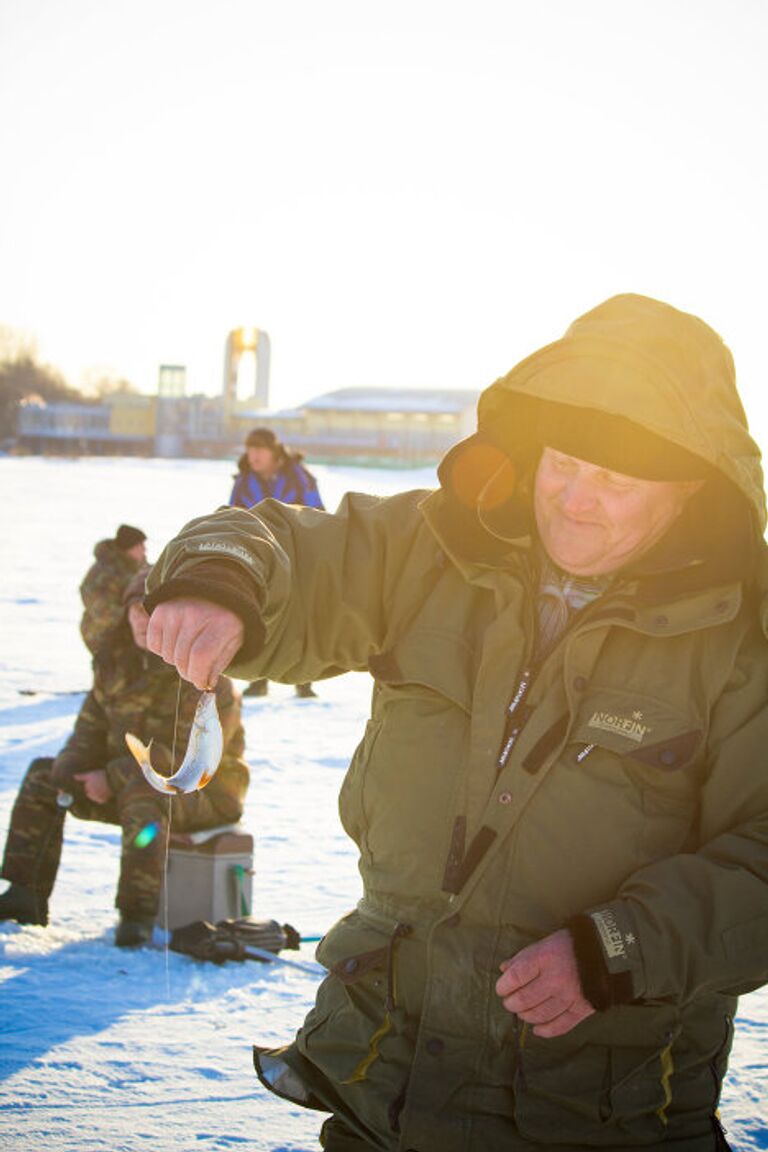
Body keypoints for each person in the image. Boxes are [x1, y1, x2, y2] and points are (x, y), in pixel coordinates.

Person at [141, 294, 767, 1152]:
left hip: (598, 1116)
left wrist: (616, 948)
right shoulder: (438, 549)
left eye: (616, 482)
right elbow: (288, 548)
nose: (576, 500)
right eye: (563, 466)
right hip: (384, 1086)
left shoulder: (742, 644)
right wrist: (218, 577)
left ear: (690, 488)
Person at [0, 573, 250, 948]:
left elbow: (185, 764)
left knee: (143, 786)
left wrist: (111, 778)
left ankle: (136, 916)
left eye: (150, 612)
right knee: (43, 775)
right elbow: (86, 732)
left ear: (172, 618)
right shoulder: (115, 667)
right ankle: (25, 895)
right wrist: (73, 775)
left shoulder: (204, 676)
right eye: (134, 611)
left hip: (201, 795)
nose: (140, 621)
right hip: (131, 787)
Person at [230, 426, 324, 699]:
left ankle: (304, 681)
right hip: (258, 558)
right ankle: (259, 678)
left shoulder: (299, 478)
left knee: (302, 619)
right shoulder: (244, 481)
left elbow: (317, 514)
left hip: (297, 556)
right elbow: (232, 517)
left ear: (274, 451)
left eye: (259, 449)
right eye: (249, 450)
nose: (253, 456)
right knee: (261, 617)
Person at [80, 523, 148, 657]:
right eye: (140, 546)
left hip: (127, 633)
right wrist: (134, 613)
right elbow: (102, 611)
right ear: (130, 548)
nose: (144, 550)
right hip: (104, 636)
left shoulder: (136, 566)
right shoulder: (103, 574)